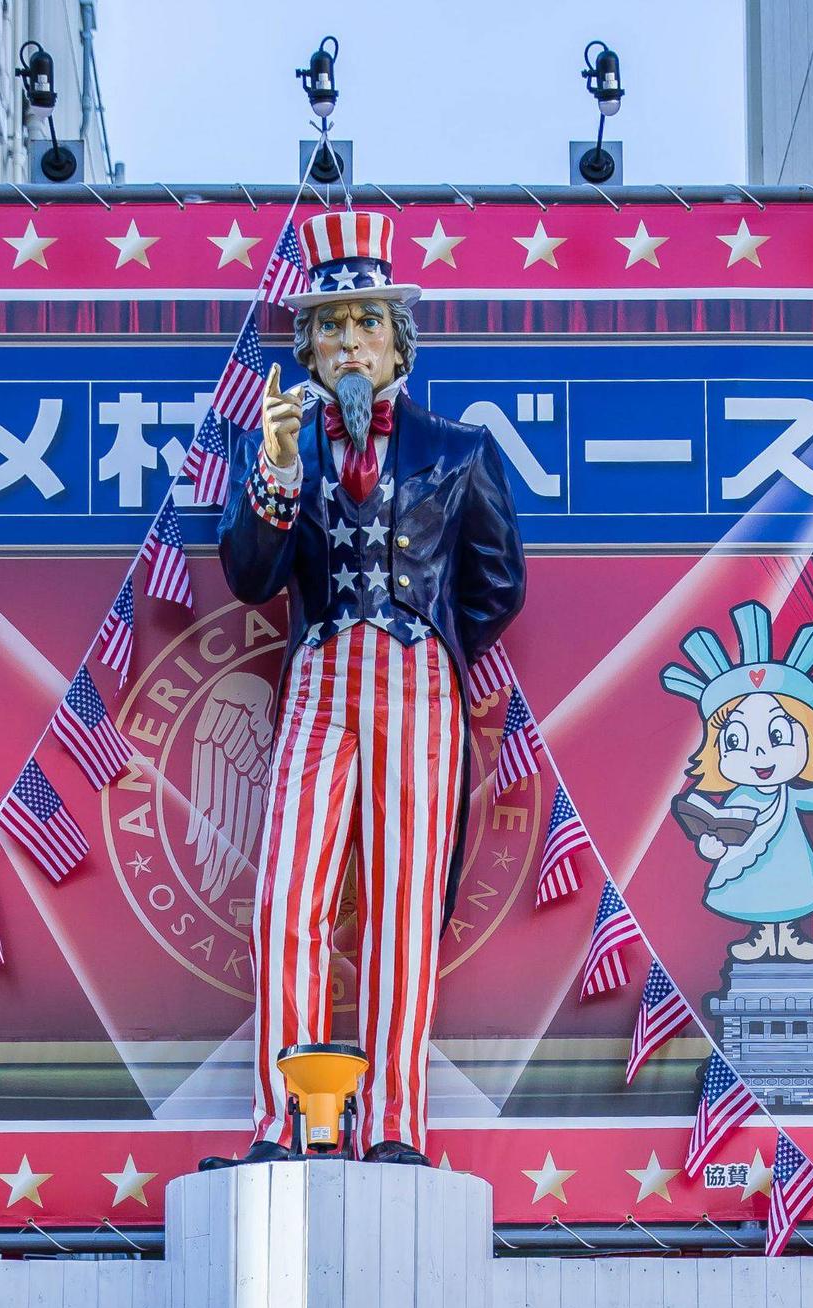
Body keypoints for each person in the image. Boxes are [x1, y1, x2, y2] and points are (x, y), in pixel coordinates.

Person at [218, 206, 525, 1163]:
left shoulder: (458, 449)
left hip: (416, 686)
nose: (350, 343)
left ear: (399, 342)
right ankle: (284, 1123)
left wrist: (428, 641)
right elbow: (249, 578)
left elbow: (497, 586)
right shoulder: (280, 450)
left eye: (366, 323)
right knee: (287, 902)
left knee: (403, 907)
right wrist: (275, 472)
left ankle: (394, 1127)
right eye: (330, 327)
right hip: (316, 680)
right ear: (307, 350)